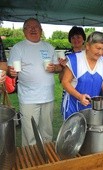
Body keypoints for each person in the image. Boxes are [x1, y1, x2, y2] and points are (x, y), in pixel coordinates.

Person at [7, 18, 63, 146]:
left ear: (41, 30)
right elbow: (11, 71)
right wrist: (12, 72)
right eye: (29, 27)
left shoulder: (48, 47)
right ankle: (30, 159)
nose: (33, 29)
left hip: (48, 96)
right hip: (28, 98)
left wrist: (55, 68)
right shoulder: (18, 47)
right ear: (24, 31)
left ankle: (47, 158)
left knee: (47, 132)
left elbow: (59, 68)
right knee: (30, 134)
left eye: (36, 27)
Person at [61, 31, 103, 120]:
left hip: (92, 108)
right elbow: (65, 82)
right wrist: (79, 96)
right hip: (73, 107)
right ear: (87, 46)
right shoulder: (75, 59)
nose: (100, 52)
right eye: (98, 48)